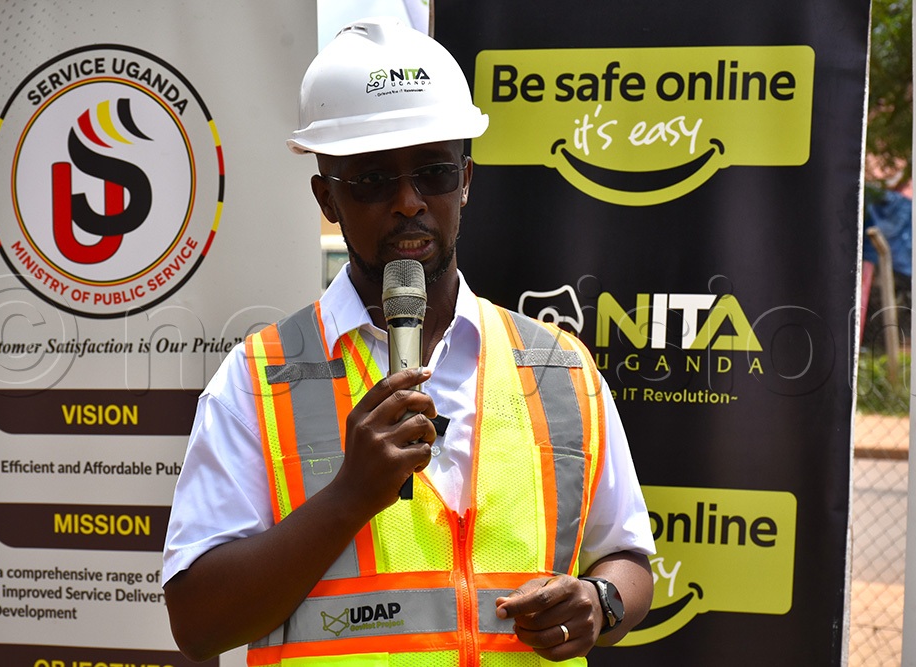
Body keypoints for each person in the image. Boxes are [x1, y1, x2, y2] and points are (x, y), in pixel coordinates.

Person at [162, 16, 655, 665]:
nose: (407, 201)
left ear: (468, 179)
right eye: (370, 179)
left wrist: (599, 599)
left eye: (433, 172)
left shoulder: (558, 366)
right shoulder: (257, 379)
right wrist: (348, 497)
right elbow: (198, 623)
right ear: (327, 198)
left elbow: (627, 556)